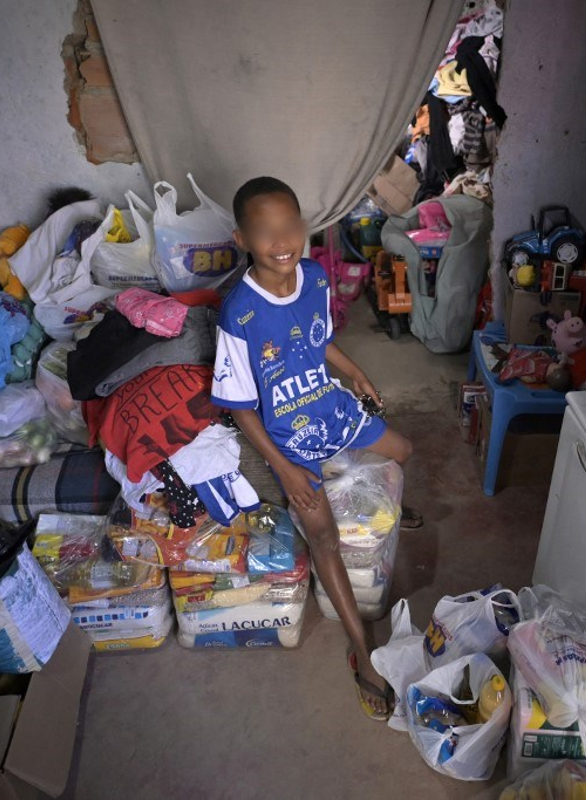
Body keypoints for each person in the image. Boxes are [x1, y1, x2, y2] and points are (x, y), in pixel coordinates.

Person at [213, 176, 420, 720]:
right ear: (242, 237)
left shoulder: (312, 275)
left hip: (326, 403)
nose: (282, 241)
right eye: (266, 232)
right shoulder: (239, 313)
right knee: (324, 535)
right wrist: (284, 470)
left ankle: (394, 508)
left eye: (291, 226)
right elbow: (238, 405)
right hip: (284, 434)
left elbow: (319, 340)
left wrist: (358, 374)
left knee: (403, 452)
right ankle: (361, 651)